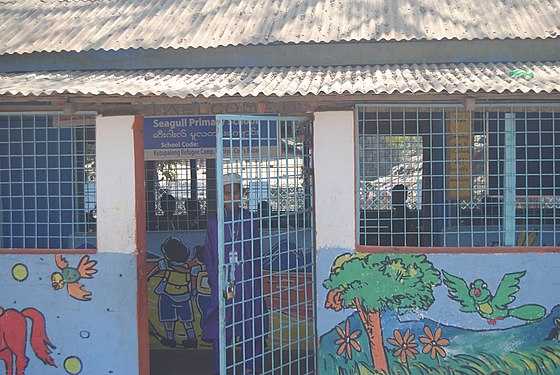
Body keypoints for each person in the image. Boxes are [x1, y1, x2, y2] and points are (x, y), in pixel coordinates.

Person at [202, 173, 268, 375]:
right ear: (221, 195)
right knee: (223, 326)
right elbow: (209, 255)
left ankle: (251, 367)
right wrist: (216, 278)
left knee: (251, 323)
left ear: (242, 194)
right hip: (224, 284)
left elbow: (256, 253)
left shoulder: (249, 219)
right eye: (228, 193)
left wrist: (252, 278)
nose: (232, 196)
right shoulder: (214, 222)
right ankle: (222, 367)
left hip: (247, 281)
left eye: (236, 192)